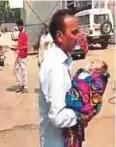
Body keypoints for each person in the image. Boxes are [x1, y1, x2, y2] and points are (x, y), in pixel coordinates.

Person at [39, 9, 80, 147]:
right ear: (59, 36)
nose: (78, 37)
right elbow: (57, 116)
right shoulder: (55, 67)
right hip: (56, 142)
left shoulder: (63, 60)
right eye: (74, 33)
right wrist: (81, 115)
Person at [64, 59, 110, 147]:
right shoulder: (84, 74)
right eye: (94, 61)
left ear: (99, 70)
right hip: (71, 111)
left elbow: (93, 94)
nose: (94, 62)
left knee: (73, 138)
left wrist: (74, 84)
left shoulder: (99, 80)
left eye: (97, 63)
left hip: (78, 112)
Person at [11, 19, 28, 93]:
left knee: (23, 71)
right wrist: (15, 47)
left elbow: (25, 46)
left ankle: (25, 87)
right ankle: (20, 85)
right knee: (17, 70)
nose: (17, 27)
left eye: (18, 26)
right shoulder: (20, 34)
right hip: (19, 55)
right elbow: (19, 44)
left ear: (21, 26)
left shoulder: (24, 34)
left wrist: (17, 48)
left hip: (23, 56)